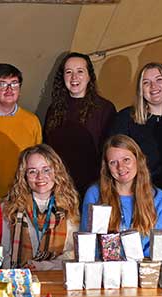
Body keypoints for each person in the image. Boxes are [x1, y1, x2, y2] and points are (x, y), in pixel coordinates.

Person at [109, 62, 162, 245]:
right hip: (135, 205)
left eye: (159, 80)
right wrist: (145, 202)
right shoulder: (125, 119)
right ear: (140, 89)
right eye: (146, 82)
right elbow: (114, 162)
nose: (154, 87)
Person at [80, 135, 162, 257]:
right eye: (113, 162)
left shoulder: (158, 197)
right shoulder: (94, 194)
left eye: (126, 160)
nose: (120, 167)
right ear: (106, 167)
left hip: (144, 269)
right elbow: (88, 244)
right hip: (104, 270)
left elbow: (157, 249)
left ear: (138, 160)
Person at [44, 52, 116, 197]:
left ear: (89, 76)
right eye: (68, 72)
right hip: (59, 189)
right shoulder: (53, 110)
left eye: (80, 71)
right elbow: (47, 151)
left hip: (94, 189)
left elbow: (111, 153)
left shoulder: (105, 109)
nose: (74, 77)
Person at [1, 144, 79, 269]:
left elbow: (73, 255)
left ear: (56, 171)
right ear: (24, 176)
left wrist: (42, 266)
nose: (40, 177)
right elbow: (2, 252)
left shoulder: (69, 207)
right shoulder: (9, 207)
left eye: (46, 170)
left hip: (55, 280)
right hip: (17, 280)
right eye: (32, 171)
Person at [0, 63, 42, 198]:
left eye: (14, 83)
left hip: (21, 196)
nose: (9, 89)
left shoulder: (32, 121)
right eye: (2, 84)